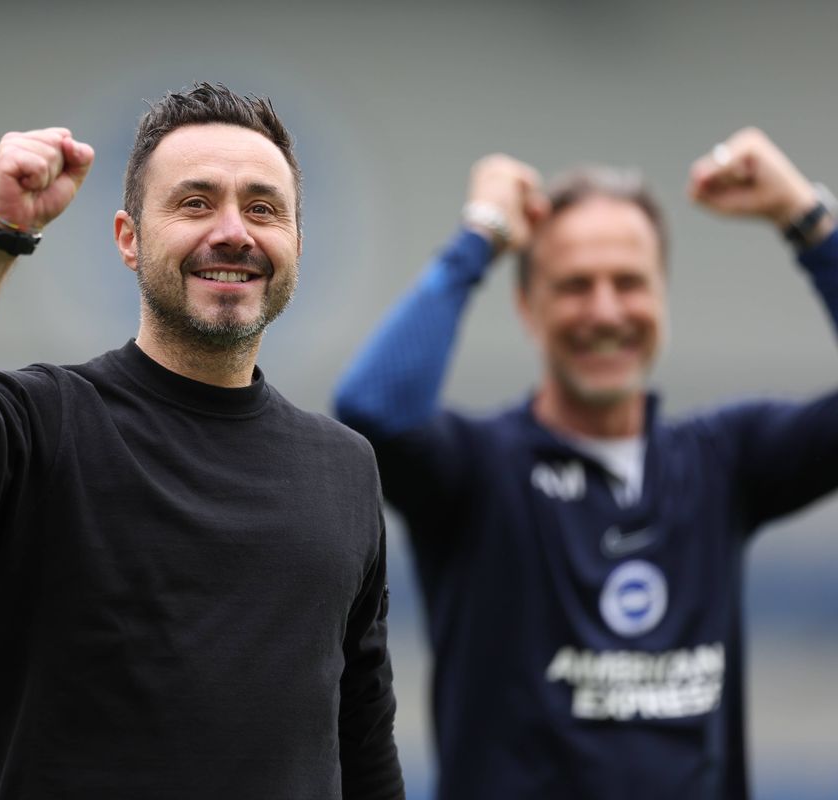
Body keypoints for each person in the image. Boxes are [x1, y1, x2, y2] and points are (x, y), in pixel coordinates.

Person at [0, 84, 403, 800]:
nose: (233, 231)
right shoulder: (45, 424)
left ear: (296, 244)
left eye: (263, 208)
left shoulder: (344, 467)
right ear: (128, 239)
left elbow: (362, 742)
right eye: (195, 203)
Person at [333, 127, 838, 799]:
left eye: (628, 282)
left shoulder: (724, 461)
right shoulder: (479, 471)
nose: (605, 311)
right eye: (575, 285)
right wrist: (477, 239)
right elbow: (371, 408)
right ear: (526, 306)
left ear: (662, 296)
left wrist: (807, 221)